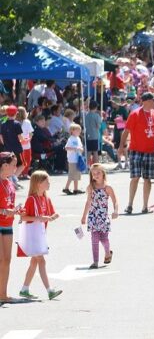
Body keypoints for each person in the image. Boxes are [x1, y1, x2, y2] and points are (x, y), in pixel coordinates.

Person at [118, 92, 154, 214]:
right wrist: (121, 146)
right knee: (135, 177)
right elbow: (126, 131)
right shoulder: (135, 114)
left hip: (150, 151)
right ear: (146, 101)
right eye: (153, 100)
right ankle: (130, 205)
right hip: (136, 150)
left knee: (148, 179)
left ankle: (145, 206)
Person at [18, 171, 63, 300]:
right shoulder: (31, 199)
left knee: (34, 262)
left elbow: (53, 213)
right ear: (38, 183)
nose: (49, 183)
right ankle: (50, 291)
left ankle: (24, 289)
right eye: (47, 181)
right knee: (41, 260)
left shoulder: (46, 198)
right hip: (33, 234)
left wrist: (53, 216)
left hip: (41, 233)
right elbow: (24, 217)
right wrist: (39, 218)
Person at [81, 164, 117, 269]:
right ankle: (95, 261)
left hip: (103, 217)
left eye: (98, 173)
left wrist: (116, 210)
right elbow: (88, 202)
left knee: (104, 239)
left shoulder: (107, 187)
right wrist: (84, 216)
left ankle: (108, 253)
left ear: (103, 173)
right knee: (94, 239)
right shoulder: (91, 187)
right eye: (94, 173)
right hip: (93, 217)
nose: (96, 175)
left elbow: (115, 200)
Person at [0, 153, 20, 303]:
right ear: (5, 166)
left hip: (8, 223)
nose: (16, 167)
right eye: (14, 164)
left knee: (7, 259)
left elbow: (9, 204)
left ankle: (3, 294)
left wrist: (17, 210)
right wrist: (5, 211)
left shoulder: (9, 182)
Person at [0, 106, 25, 185]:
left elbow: (1, 136)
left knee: (10, 164)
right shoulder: (17, 124)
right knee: (22, 164)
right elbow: (20, 137)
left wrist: (5, 143)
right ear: (15, 114)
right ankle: (14, 177)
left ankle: (11, 178)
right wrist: (24, 140)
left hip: (7, 149)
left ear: (7, 114)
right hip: (17, 148)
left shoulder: (3, 124)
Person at [63, 123, 84, 195]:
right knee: (72, 174)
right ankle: (66, 188)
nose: (79, 132)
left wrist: (81, 149)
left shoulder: (78, 138)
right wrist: (75, 148)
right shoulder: (70, 139)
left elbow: (81, 147)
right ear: (72, 131)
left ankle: (76, 189)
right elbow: (66, 148)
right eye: (78, 130)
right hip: (72, 159)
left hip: (77, 158)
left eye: (79, 130)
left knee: (77, 174)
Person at [83, 101, 102, 167]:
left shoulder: (86, 116)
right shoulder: (96, 116)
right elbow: (99, 126)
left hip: (88, 135)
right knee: (95, 152)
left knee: (89, 151)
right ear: (96, 107)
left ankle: (87, 165)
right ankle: (96, 166)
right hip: (95, 135)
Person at [17, 107, 33, 180]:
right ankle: (25, 174)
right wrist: (28, 140)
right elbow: (31, 133)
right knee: (27, 159)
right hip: (26, 144)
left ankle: (18, 174)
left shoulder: (14, 122)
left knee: (19, 160)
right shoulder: (27, 122)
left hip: (18, 144)